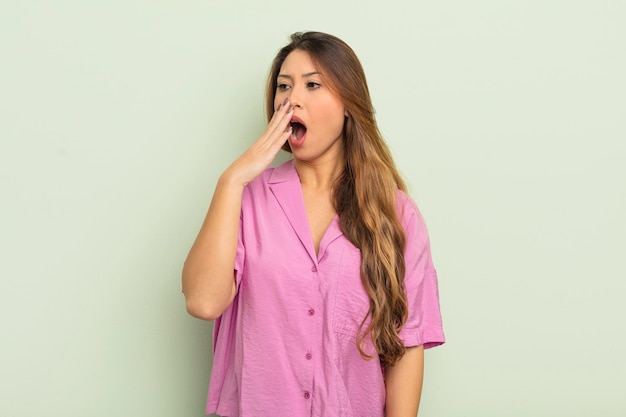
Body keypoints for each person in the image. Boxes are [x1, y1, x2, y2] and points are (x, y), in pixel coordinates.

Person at [182, 31, 445, 417]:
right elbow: (203, 301)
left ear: (348, 104)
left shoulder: (396, 213)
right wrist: (232, 179)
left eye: (313, 84)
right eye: (283, 87)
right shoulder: (246, 199)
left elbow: (407, 343)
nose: (292, 99)